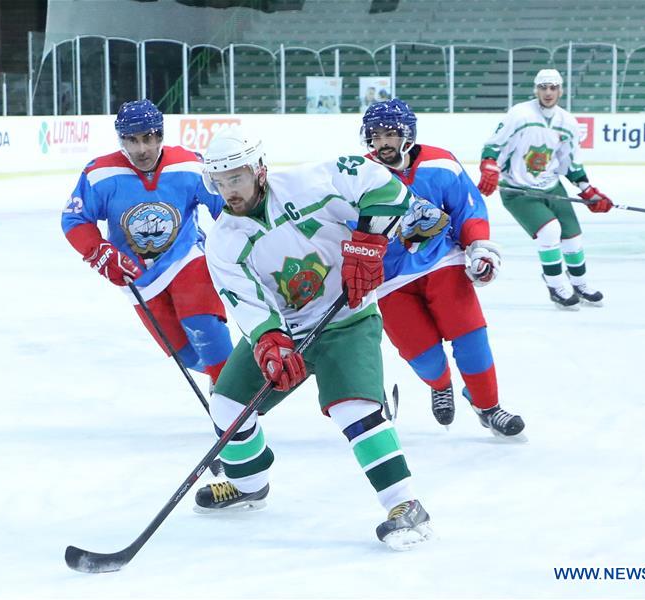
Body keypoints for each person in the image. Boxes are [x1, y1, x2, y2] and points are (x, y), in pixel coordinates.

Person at [195, 126, 433, 551]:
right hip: (288, 329)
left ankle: (405, 503)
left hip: (348, 319)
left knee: (354, 410)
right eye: (220, 181)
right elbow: (247, 301)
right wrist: (270, 342)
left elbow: (385, 187)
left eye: (237, 177)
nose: (229, 189)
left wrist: (367, 242)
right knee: (227, 405)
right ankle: (249, 484)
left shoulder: (309, 183)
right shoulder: (223, 241)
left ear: (259, 170)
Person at [360, 99, 524, 436]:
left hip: (442, 261)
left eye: (390, 134)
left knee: (471, 337)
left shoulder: (441, 163)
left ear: (408, 135)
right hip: (389, 280)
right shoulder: (360, 175)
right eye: (375, 135)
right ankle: (441, 384)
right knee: (423, 355)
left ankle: (488, 406)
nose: (382, 142)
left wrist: (478, 247)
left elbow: (468, 210)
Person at [61, 99, 233, 390]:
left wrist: (239, 242)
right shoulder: (100, 174)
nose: (141, 149)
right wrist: (99, 251)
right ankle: (234, 375)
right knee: (186, 355)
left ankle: (231, 390)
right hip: (137, 276)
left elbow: (226, 208)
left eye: (148, 138)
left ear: (160, 136)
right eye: (132, 140)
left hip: (186, 258)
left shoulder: (190, 165)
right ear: (122, 140)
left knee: (203, 323)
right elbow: (75, 220)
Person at [476, 69, 611, 310]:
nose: (548, 93)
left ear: (561, 90)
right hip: (517, 189)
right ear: (536, 89)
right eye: (543, 87)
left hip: (551, 186)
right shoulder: (519, 114)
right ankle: (556, 285)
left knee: (572, 238)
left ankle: (579, 283)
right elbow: (494, 145)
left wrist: (587, 190)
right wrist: (489, 166)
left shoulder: (567, 122)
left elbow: (570, 163)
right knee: (550, 232)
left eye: (553, 88)